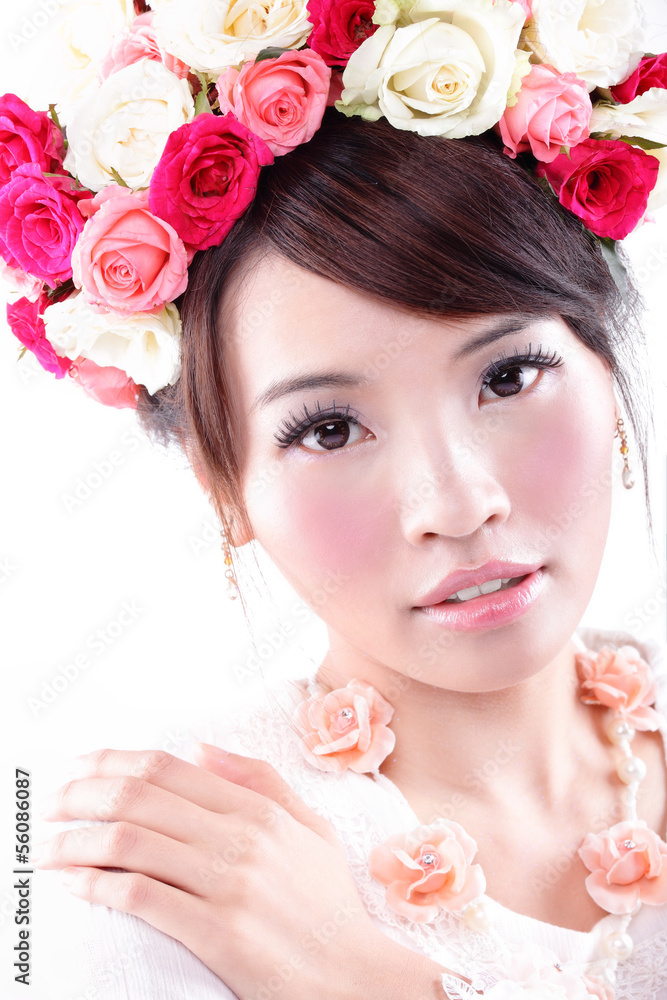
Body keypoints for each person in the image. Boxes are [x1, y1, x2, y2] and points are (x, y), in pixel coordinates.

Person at [3, 2, 666, 997]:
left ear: (604, 367)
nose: (455, 501)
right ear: (223, 488)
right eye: (326, 429)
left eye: (508, 375)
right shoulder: (167, 883)